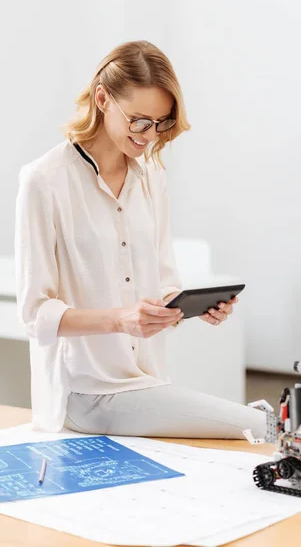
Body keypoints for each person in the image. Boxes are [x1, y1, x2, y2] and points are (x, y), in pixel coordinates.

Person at [15, 40, 265, 439]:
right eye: (139, 120)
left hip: (147, 381)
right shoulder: (44, 180)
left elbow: (164, 282)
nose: (150, 135)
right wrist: (119, 319)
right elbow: (35, 314)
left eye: (161, 122)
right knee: (263, 426)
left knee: (254, 429)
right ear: (102, 99)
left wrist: (189, 307)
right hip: (85, 392)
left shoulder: (152, 179)